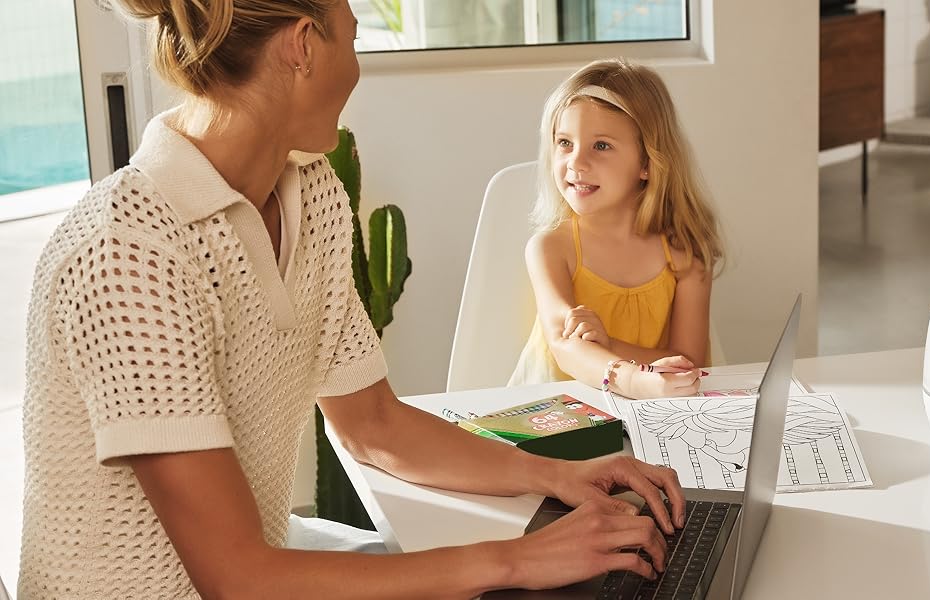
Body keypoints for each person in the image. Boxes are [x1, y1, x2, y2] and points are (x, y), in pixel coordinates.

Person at [18, 1, 683, 597]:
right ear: (304, 44)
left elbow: (374, 424)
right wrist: (515, 560)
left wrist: (554, 476)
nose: (357, 66)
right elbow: (238, 578)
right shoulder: (129, 253)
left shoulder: (312, 193)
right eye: (355, 38)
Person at [511, 59, 725, 400]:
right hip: (559, 415)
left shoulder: (686, 253)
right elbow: (565, 346)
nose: (576, 163)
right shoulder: (551, 249)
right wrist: (633, 379)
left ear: (646, 163)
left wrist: (608, 344)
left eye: (601, 146)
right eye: (565, 143)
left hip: (652, 411)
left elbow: (689, 363)